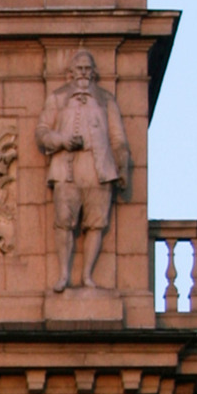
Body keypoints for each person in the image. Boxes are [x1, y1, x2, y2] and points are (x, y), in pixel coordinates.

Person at [36, 48, 130, 292]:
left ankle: (87, 275)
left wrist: (122, 167)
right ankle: (64, 275)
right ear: (70, 73)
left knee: (96, 224)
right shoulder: (57, 97)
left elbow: (118, 138)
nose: (84, 73)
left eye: (88, 69)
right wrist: (62, 140)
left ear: (93, 73)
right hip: (66, 170)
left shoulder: (106, 99)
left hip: (98, 169)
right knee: (63, 222)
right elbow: (42, 132)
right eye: (79, 69)